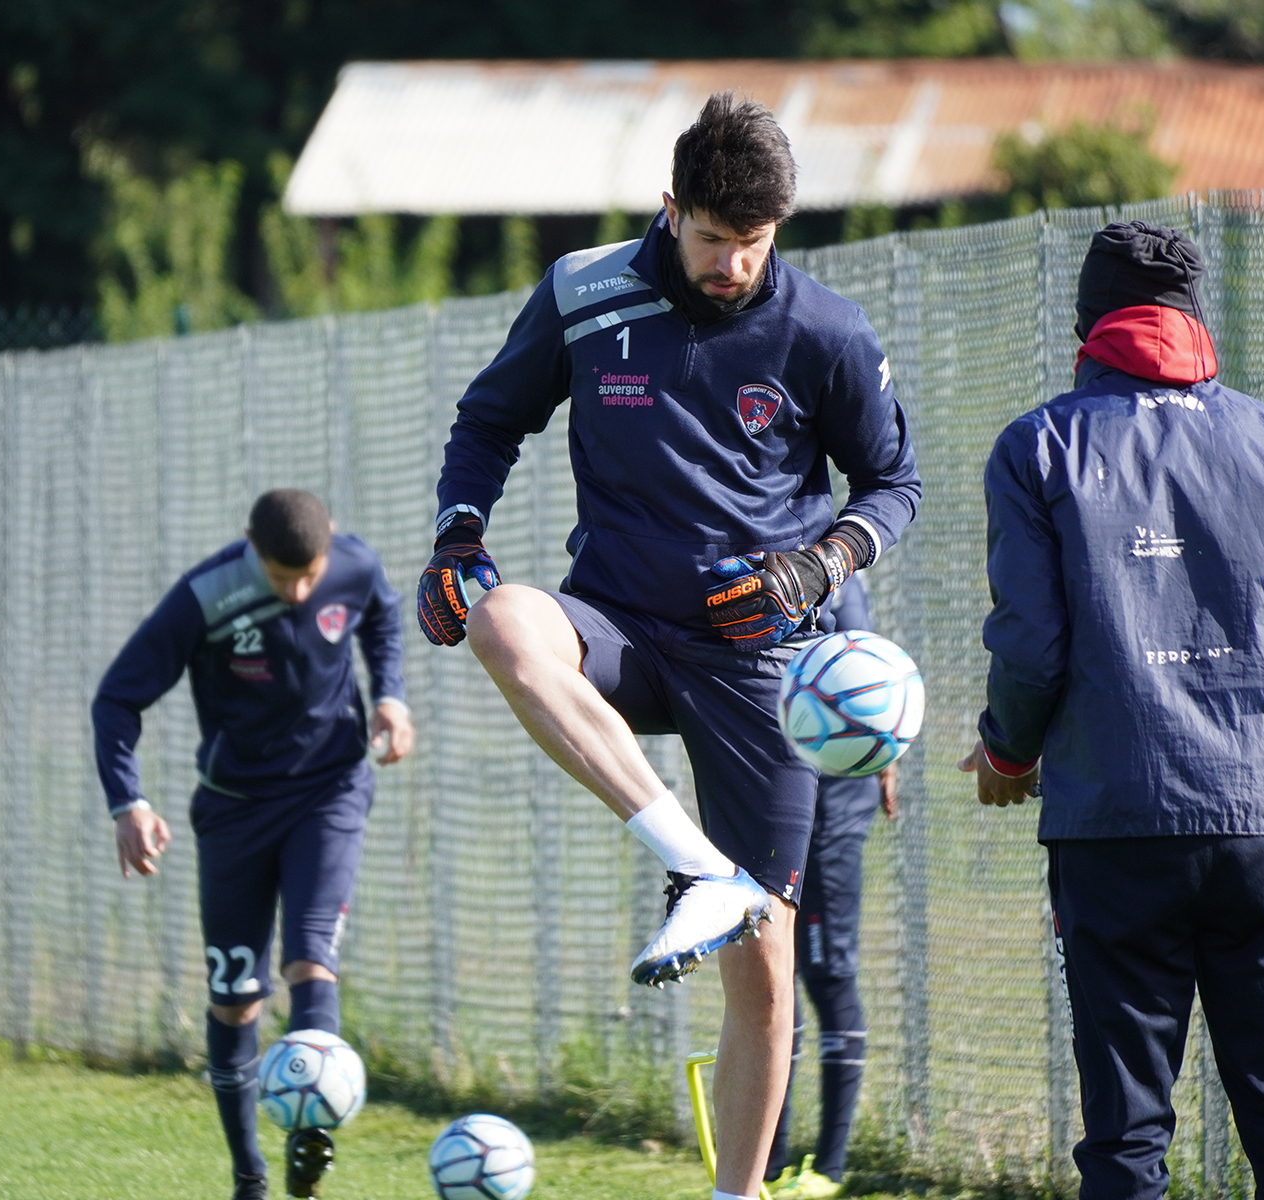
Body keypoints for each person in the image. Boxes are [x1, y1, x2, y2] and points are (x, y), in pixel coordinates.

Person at [417, 93, 920, 1200]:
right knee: (504, 620)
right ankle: (694, 864)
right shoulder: (585, 290)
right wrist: (460, 533)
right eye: (711, 240)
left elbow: (893, 486)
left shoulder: (827, 331)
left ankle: (734, 1194)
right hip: (622, 629)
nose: (734, 265)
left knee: (765, 965)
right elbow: (487, 420)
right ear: (668, 208)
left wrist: (816, 567)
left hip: (757, 663)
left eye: (754, 244)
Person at [959, 221, 1264, 1199]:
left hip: (1113, 828)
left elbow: (1031, 648)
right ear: (1194, 321)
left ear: (1085, 326)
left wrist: (1005, 755)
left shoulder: (1039, 445)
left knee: (1126, 1135)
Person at [92, 488, 415, 1200]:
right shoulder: (204, 596)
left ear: (329, 549)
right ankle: (250, 1179)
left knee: (311, 961)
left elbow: (384, 618)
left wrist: (390, 695)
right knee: (236, 996)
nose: (299, 592)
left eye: (309, 576)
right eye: (281, 578)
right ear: (249, 547)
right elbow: (116, 698)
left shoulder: (355, 566)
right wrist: (129, 802)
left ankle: (309, 1142)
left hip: (329, 792)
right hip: (235, 812)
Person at [766, 572, 897, 1200]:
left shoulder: (834, 560)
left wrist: (882, 752)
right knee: (770, 974)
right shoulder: (733, 538)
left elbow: (864, 672)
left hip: (835, 794)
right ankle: (769, 1164)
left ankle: (831, 1168)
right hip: (772, 784)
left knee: (826, 972)